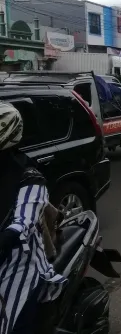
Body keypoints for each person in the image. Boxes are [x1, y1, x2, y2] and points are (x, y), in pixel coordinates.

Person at [0, 103, 66, 334]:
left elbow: (24, 220)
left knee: (14, 323)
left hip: (20, 258)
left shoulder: (29, 174)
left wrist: (8, 237)